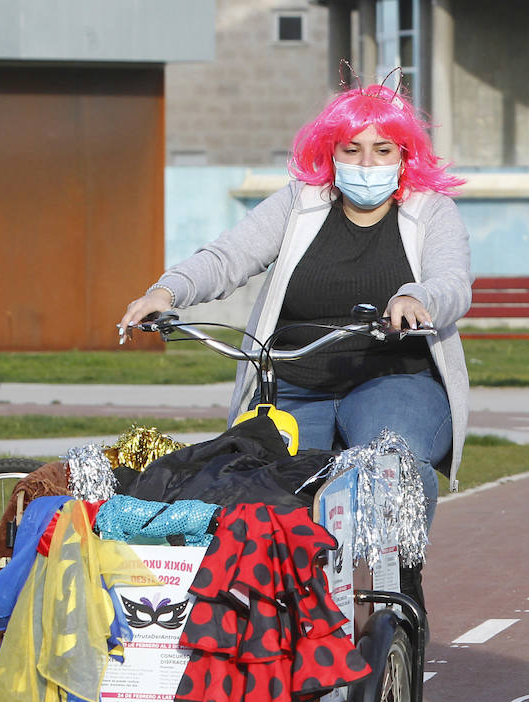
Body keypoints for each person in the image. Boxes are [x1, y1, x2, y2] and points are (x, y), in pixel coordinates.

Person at [117, 83, 472, 610]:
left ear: (405, 155)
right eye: (350, 150)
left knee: (392, 463)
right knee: (259, 490)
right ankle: (288, 616)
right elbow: (227, 257)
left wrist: (415, 297)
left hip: (392, 376)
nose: (365, 163)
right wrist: (166, 292)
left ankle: (399, 584)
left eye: (381, 150)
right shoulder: (298, 205)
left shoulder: (431, 212)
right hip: (294, 380)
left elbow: (452, 282)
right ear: (329, 152)